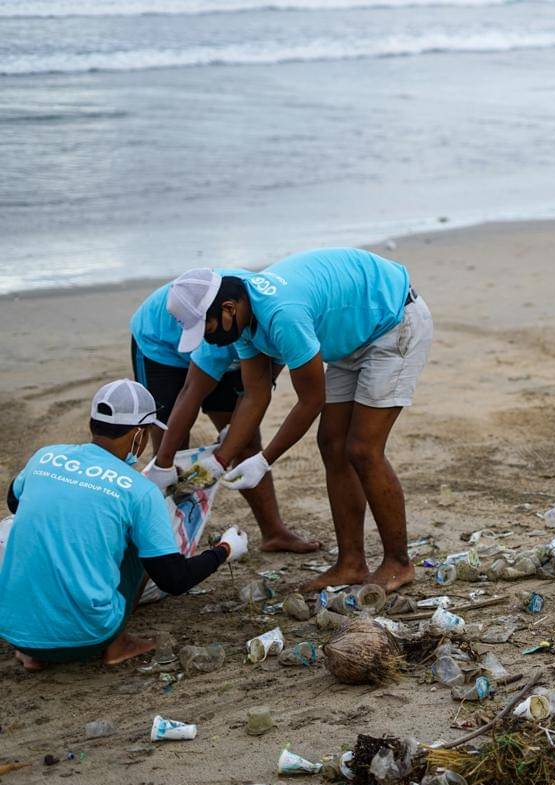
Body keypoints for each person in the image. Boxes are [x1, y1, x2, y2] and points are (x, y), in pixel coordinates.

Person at [171, 248, 433, 592]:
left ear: (228, 309)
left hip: (393, 320)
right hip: (352, 337)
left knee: (363, 448)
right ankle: (351, 563)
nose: (207, 339)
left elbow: (312, 400)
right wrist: (219, 461)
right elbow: (256, 393)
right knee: (332, 444)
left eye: (207, 329)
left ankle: (399, 563)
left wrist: (263, 461)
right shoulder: (245, 321)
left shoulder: (281, 314)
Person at [0, 380, 247, 671]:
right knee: (142, 541)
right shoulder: (139, 491)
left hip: (13, 632)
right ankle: (118, 645)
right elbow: (173, 579)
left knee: (28, 524)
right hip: (87, 638)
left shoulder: (45, 456)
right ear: (139, 436)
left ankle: (35, 652)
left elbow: (15, 503)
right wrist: (225, 550)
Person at [130, 271, 317, 553]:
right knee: (172, 446)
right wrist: (163, 464)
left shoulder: (251, 318)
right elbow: (191, 393)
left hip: (219, 330)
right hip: (161, 345)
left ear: (230, 310)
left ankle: (274, 532)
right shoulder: (214, 334)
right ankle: (170, 546)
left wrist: (232, 441)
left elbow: (261, 385)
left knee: (245, 439)